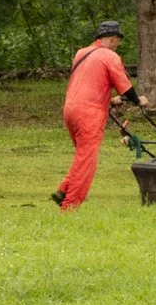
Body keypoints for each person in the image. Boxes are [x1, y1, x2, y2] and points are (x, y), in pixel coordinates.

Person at [52, 22, 148, 210]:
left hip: (70, 109)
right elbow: (126, 88)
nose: (117, 46)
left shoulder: (81, 53)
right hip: (89, 114)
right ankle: (70, 206)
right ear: (113, 39)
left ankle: (63, 190)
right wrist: (139, 101)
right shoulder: (110, 56)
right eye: (117, 43)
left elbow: (89, 82)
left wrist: (110, 101)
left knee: (82, 155)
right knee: (87, 160)